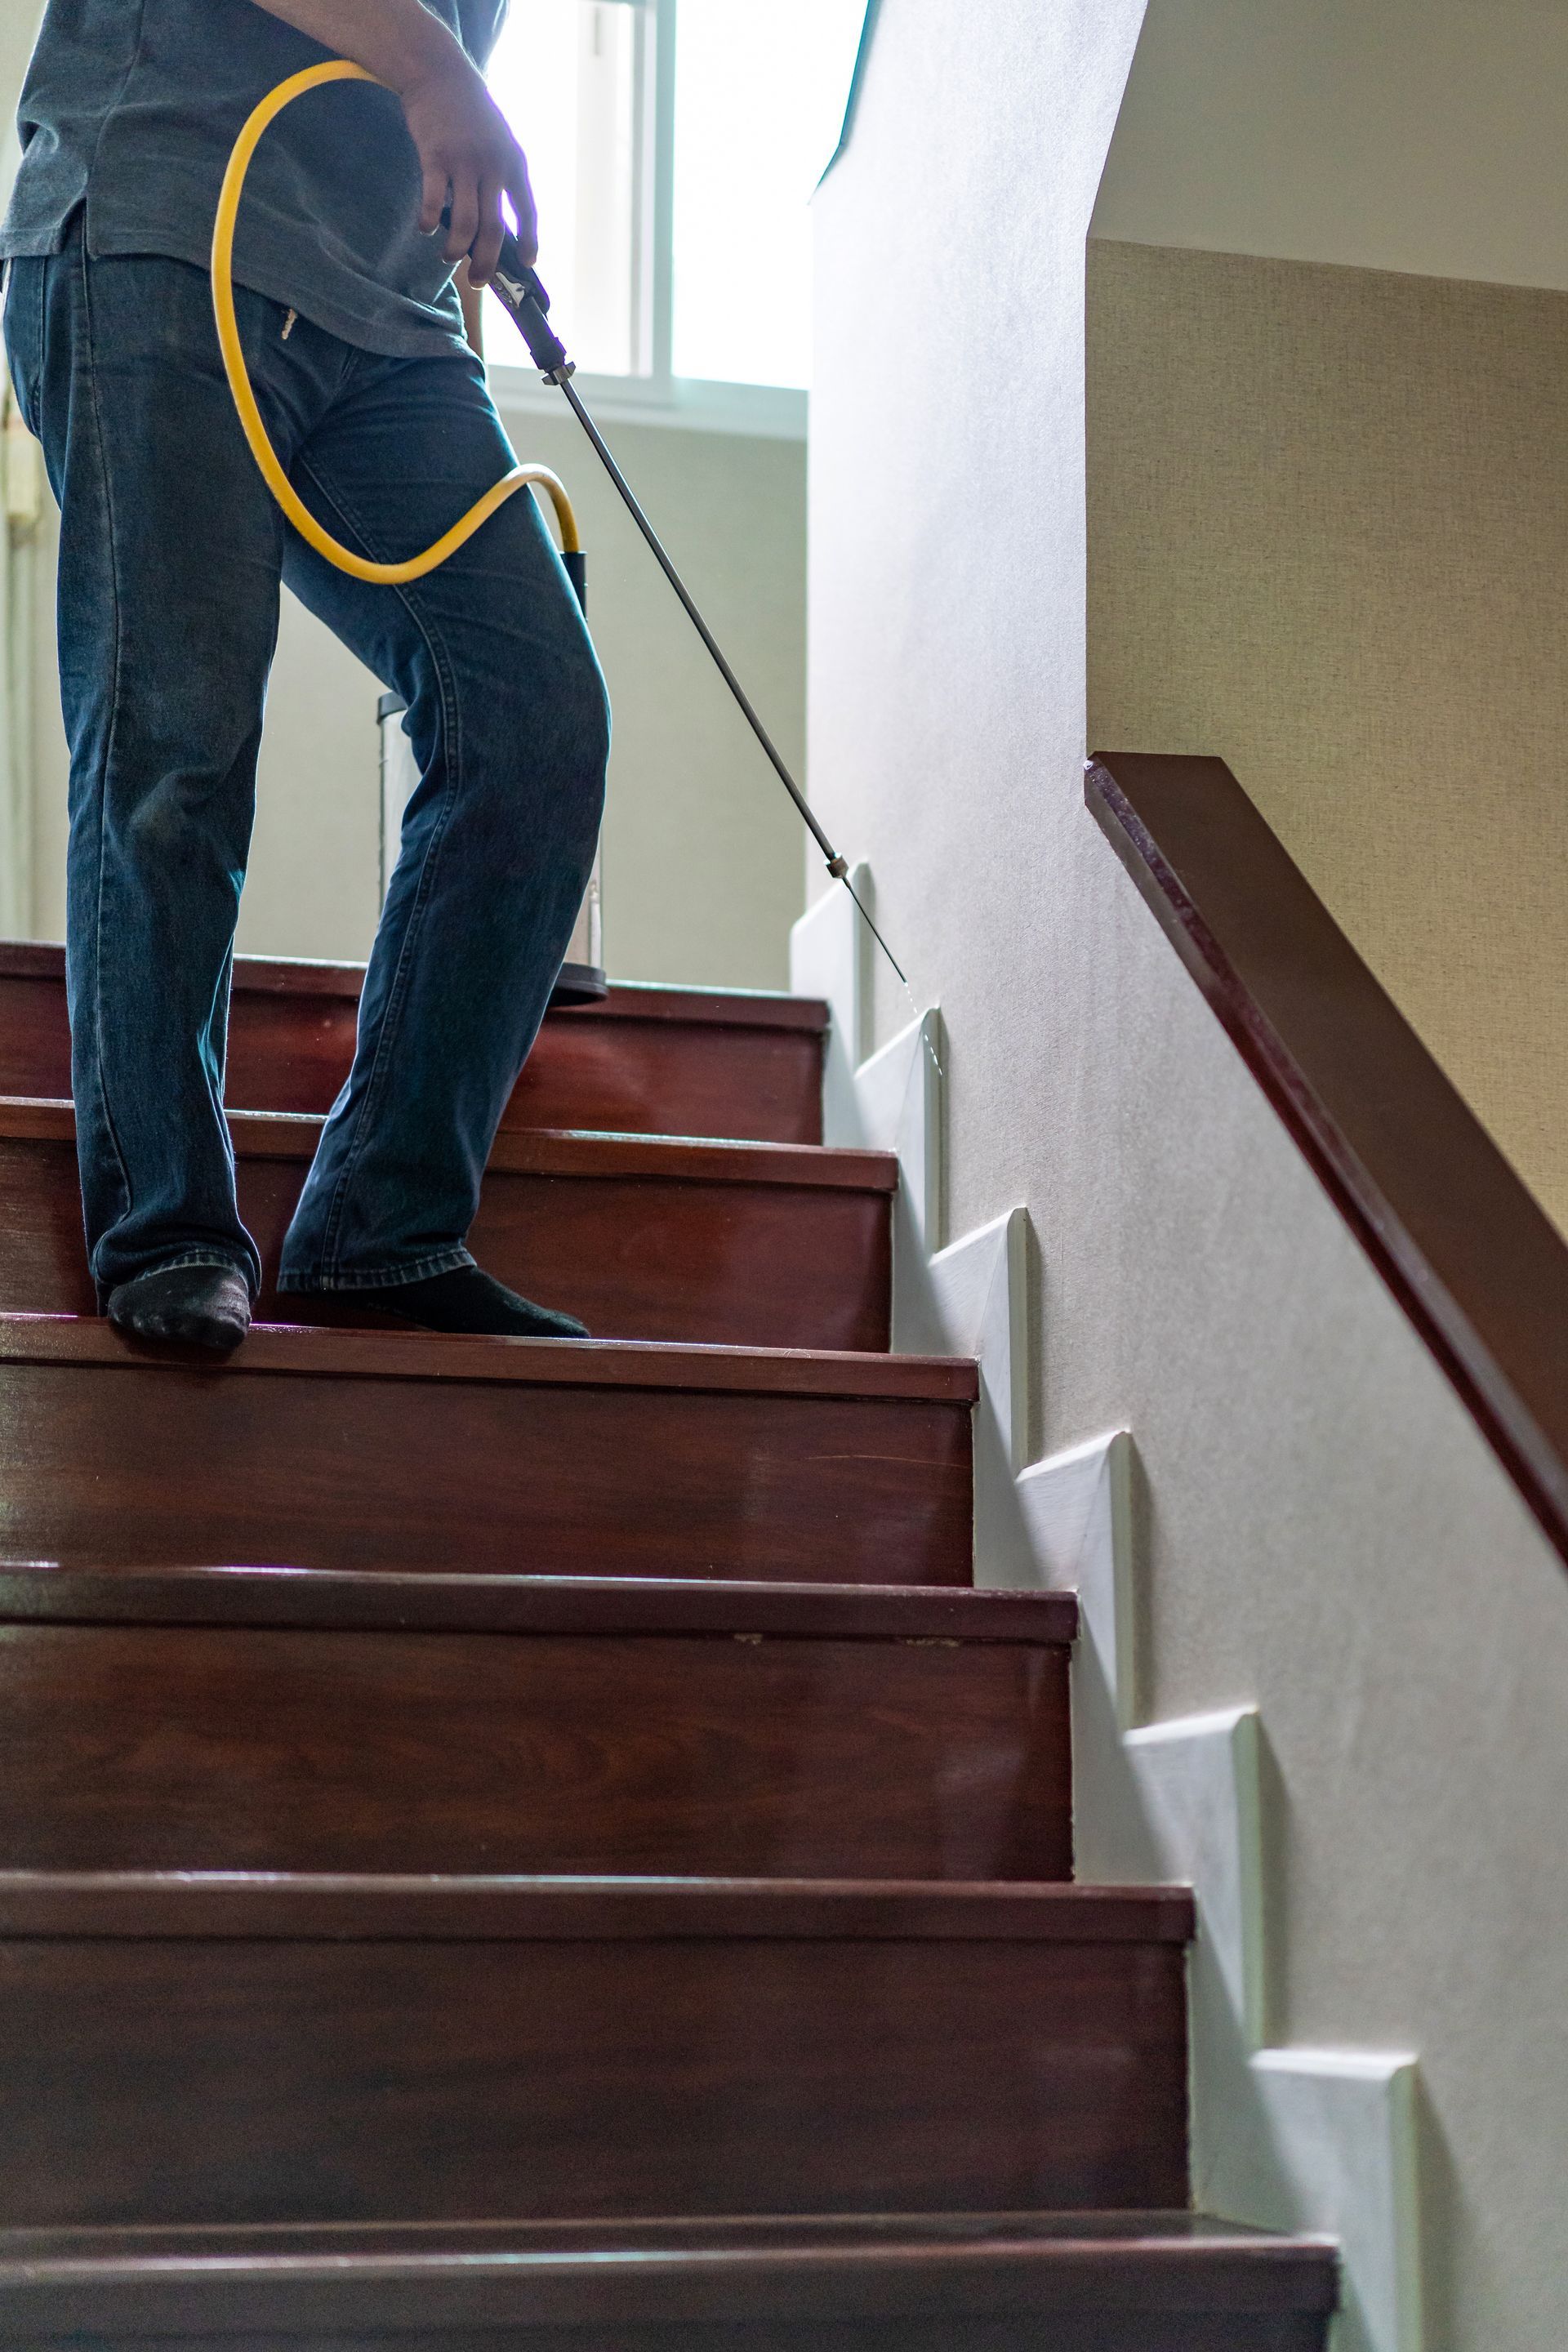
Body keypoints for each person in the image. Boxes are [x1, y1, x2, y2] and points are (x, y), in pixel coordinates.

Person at [1, 0, 609, 1352]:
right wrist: (438, 67)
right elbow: (425, 60)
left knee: (536, 718)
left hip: (383, 318)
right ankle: (162, 1228)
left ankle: (379, 1231)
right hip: (162, 225)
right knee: (177, 748)